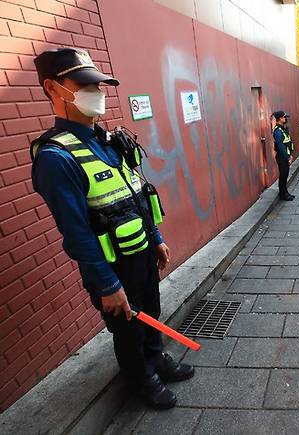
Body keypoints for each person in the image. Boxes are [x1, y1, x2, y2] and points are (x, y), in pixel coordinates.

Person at [30, 48, 193, 409]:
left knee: (151, 309)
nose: (98, 92)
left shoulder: (109, 140)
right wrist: (107, 284)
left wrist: (157, 239)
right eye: (85, 84)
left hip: (142, 252)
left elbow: (137, 192)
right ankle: (141, 379)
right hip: (113, 266)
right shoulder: (56, 158)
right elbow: (76, 234)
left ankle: (157, 358)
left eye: (100, 84)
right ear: (53, 88)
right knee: (127, 328)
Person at [272, 110, 295, 200]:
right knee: (283, 176)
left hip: (286, 156)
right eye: (284, 117)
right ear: (280, 118)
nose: (285, 119)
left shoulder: (282, 129)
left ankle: (285, 192)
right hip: (282, 157)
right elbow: (281, 146)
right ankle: (283, 194)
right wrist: (288, 157)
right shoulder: (278, 131)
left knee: (285, 175)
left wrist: (290, 155)